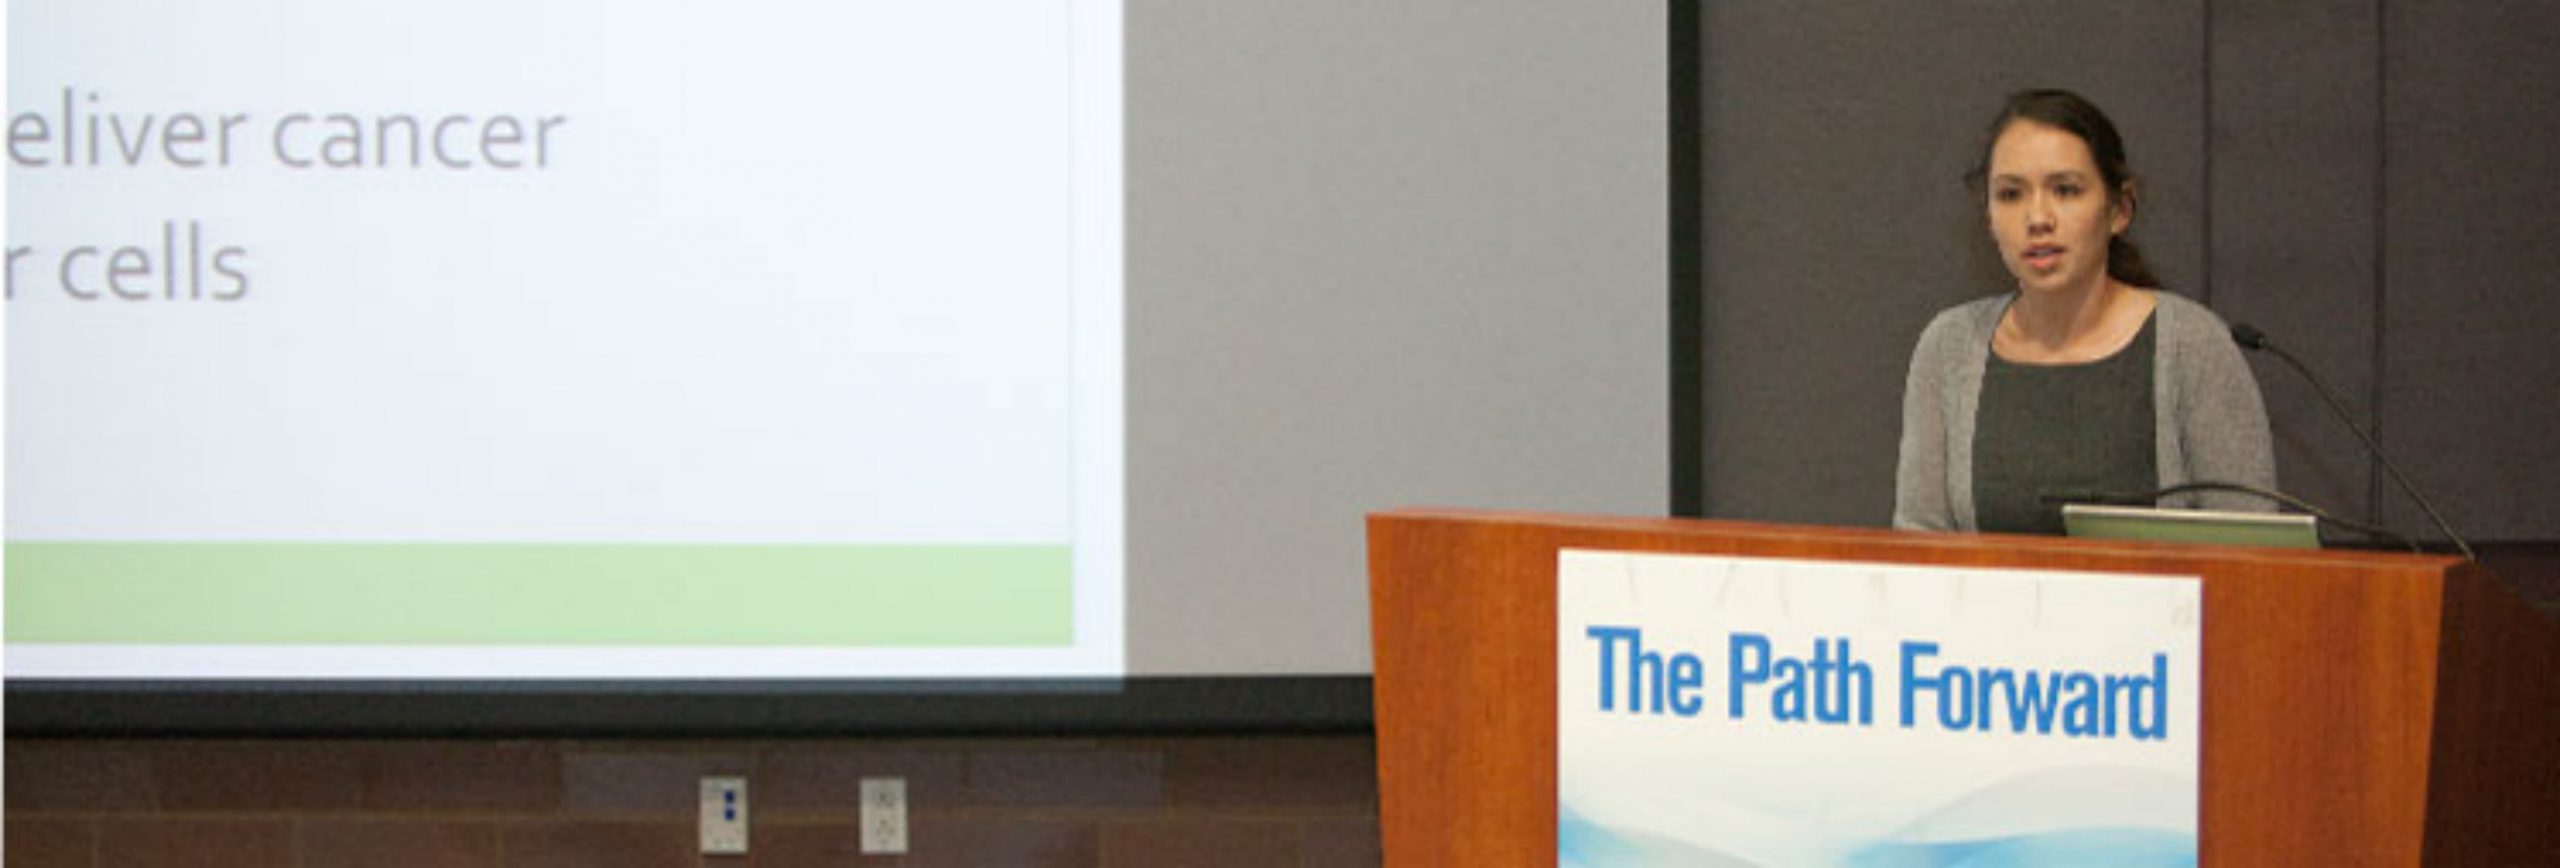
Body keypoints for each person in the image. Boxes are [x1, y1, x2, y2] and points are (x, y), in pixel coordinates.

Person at [1894, 89, 2275, 533]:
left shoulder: (2192, 343)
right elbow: (1919, 549)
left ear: (2119, 209)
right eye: (2011, 194)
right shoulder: (1950, 347)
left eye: (2065, 190)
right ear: (1989, 216)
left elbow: (2251, 553)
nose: (2038, 218)